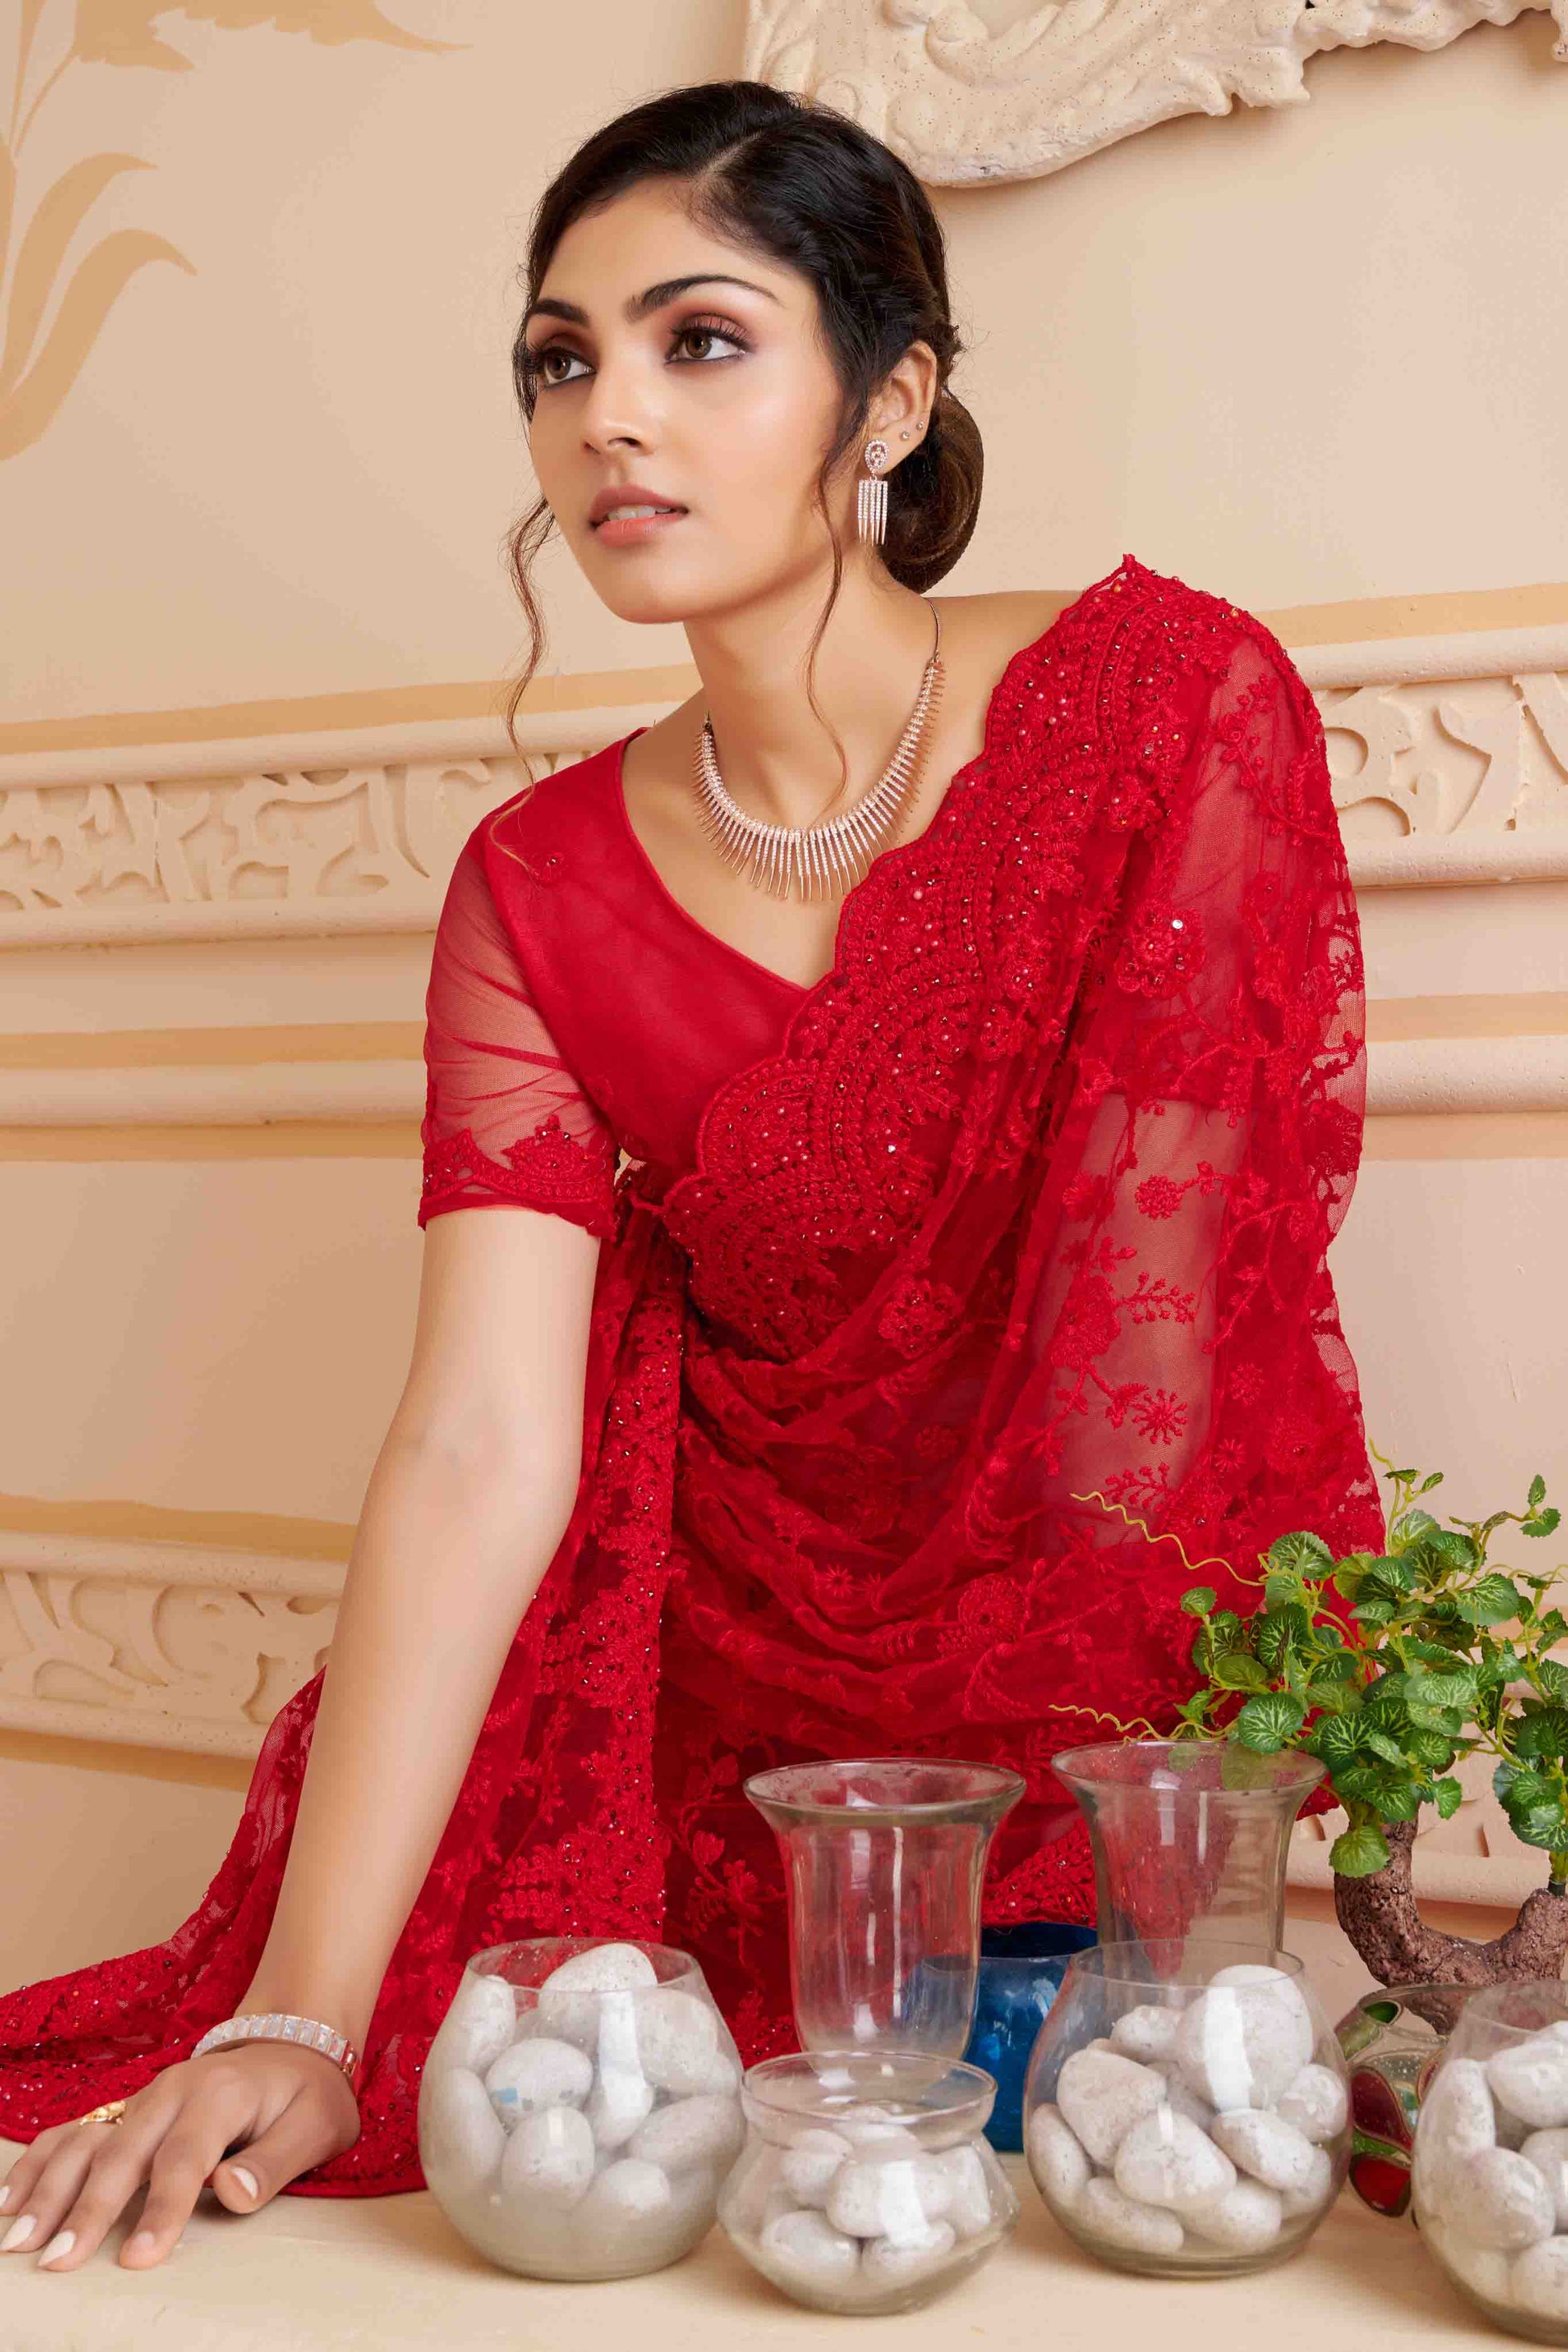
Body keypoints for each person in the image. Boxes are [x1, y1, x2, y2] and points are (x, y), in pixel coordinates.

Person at [0, 77, 1382, 2274]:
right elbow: (479, 1439)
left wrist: (1131, 1900)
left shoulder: (1163, 706)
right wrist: (304, 2011)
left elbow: (1159, 1374)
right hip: (676, 1776)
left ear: (890, 399)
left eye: (699, 340)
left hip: (1071, 1785)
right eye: (559, 361)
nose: (608, 418)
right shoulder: (534, 885)